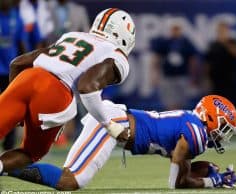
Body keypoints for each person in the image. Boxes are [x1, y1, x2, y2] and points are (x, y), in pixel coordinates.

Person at [0, 8, 136, 175]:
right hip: (55, 92)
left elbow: (17, 64)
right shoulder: (115, 55)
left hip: (26, 79)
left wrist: (14, 100)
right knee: (31, 152)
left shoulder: (72, 36)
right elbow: (87, 87)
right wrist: (110, 125)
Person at [5, 95, 236, 190]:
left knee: (71, 178)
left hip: (115, 122)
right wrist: (210, 181)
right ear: (211, 118)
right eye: (224, 128)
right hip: (114, 124)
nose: (224, 135)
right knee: (72, 180)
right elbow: (175, 181)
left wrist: (209, 179)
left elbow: (182, 177)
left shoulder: (192, 126)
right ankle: (3, 166)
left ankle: (4, 167)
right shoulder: (196, 133)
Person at [205, 21, 236, 133]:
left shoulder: (232, 42)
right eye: (220, 31)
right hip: (216, 81)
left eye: (224, 31)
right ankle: (217, 129)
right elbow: (208, 63)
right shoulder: (213, 45)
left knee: (233, 105)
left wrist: (226, 43)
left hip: (230, 80)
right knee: (216, 107)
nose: (222, 33)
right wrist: (207, 78)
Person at [150, 22, 199, 110]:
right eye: (174, 28)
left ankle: (179, 122)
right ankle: (172, 121)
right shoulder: (165, 42)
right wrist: (155, 75)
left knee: (182, 103)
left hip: (182, 76)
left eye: (177, 29)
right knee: (169, 103)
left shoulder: (186, 43)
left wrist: (193, 76)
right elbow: (156, 59)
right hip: (168, 77)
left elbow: (193, 60)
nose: (175, 31)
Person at [0, 0, 27, 150]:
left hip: (10, 69)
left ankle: (9, 143)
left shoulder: (16, 17)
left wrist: (27, 64)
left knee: (10, 106)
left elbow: (21, 42)